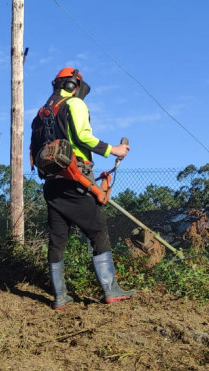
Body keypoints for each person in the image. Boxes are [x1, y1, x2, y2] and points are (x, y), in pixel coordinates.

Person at [30, 67, 134, 310]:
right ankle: (110, 290)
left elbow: (34, 153)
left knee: (57, 240)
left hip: (52, 185)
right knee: (98, 232)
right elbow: (83, 137)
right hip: (77, 181)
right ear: (72, 85)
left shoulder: (40, 115)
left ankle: (60, 296)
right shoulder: (74, 104)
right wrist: (113, 150)